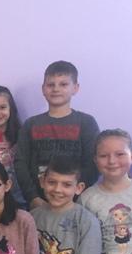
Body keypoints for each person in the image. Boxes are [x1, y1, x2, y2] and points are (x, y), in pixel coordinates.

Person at [14, 61, 100, 210]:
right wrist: (32, 197)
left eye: (63, 84)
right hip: (38, 203)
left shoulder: (86, 123)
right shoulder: (30, 124)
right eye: (50, 84)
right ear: (43, 89)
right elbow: (20, 163)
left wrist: (74, 194)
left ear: (75, 88)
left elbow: (93, 163)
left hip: (75, 203)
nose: (56, 89)